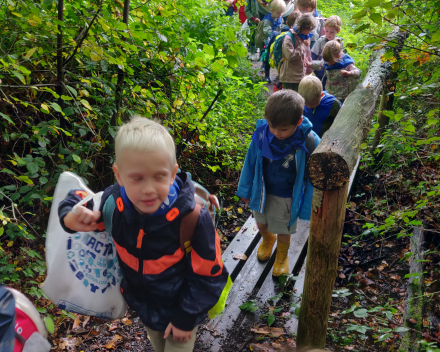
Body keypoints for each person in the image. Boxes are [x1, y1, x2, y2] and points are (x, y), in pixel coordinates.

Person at [58, 117, 230, 352]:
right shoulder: (114, 204)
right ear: (119, 175)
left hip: (183, 306)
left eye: (159, 176)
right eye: (137, 178)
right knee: (158, 345)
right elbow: (78, 200)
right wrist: (70, 216)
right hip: (146, 306)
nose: (148, 189)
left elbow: (210, 275)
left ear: (172, 173)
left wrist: (185, 319)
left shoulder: (191, 218)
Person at [236, 90, 320, 277]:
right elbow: (250, 161)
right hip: (262, 190)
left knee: (283, 228)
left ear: (298, 122)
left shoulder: (307, 140)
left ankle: (282, 256)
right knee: (261, 223)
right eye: (273, 127)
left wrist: (308, 205)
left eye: (283, 129)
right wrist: (245, 188)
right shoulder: (262, 134)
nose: (276, 133)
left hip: (287, 194)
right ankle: (267, 239)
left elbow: (316, 171)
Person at [307, 39, 361, 103]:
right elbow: (320, 65)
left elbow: (358, 72)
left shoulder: (346, 65)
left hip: (341, 96)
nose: (328, 63)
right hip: (328, 92)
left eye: (331, 61)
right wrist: (310, 64)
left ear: (338, 56)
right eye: (327, 61)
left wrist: (349, 73)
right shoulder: (327, 60)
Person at [279, 13, 316, 92]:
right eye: (310, 29)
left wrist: (309, 68)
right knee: (287, 95)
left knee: (298, 95)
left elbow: (307, 54)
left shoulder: (305, 36)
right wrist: (303, 45)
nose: (311, 32)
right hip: (288, 75)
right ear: (304, 28)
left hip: (300, 74)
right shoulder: (289, 37)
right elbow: (290, 56)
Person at [258, 0, 287, 83]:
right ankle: (267, 74)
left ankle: (280, 74)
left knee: (279, 57)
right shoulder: (267, 20)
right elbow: (266, 30)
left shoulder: (280, 18)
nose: (280, 15)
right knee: (267, 58)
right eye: (278, 13)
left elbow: (281, 26)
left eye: (282, 13)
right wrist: (276, 33)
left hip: (277, 41)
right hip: (269, 41)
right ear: (272, 11)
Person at [311, 15, 344, 81]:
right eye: (326, 31)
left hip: (333, 71)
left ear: (337, 31)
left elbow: (342, 58)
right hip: (320, 70)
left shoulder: (339, 43)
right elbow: (313, 55)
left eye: (331, 32)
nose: (328, 34)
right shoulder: (321, 41)